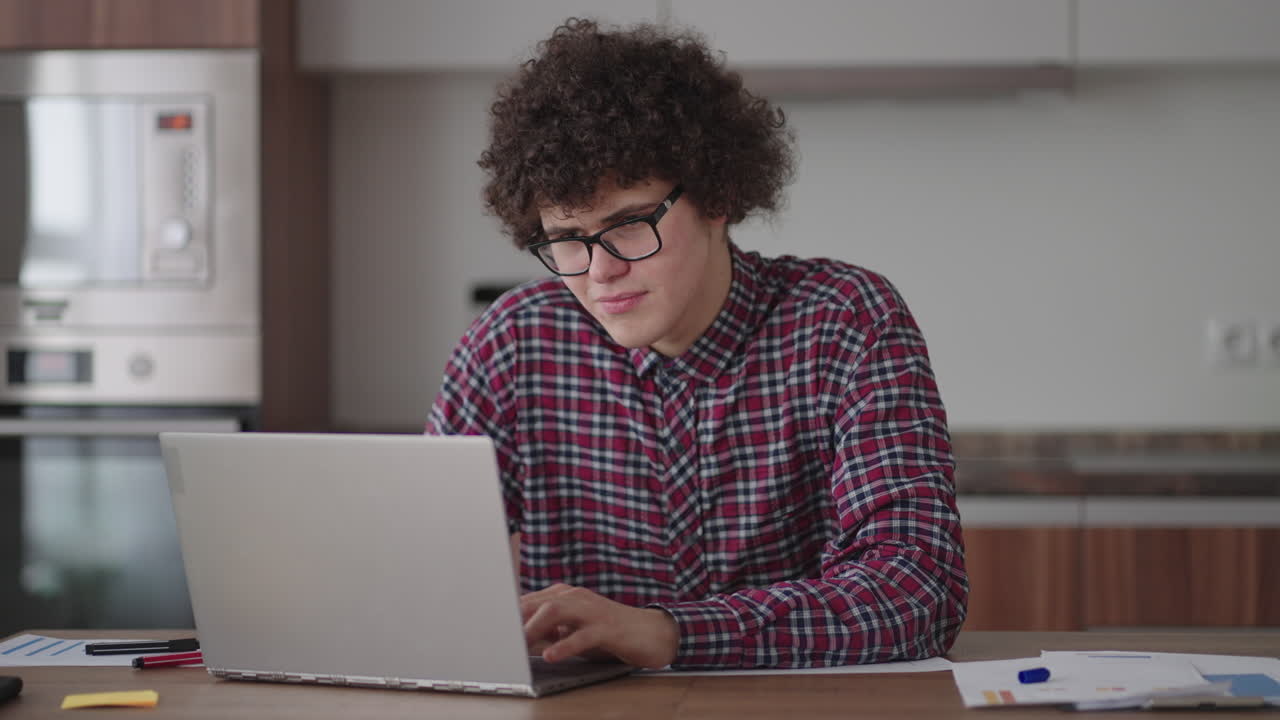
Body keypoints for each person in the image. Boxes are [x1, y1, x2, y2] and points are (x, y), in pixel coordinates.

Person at [426, 18, 967, 670]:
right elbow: (423, 582)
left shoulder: (845, 322)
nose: (599, 271)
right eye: (566, 237)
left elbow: (918, 589)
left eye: (628, 225)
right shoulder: (511, 345)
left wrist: (666, 633)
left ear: (717, 198)